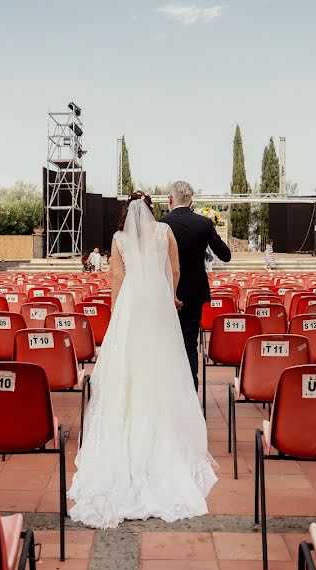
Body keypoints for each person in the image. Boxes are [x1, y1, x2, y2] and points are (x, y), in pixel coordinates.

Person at [68, 191, 217, 528]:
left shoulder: (119, 239)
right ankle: (165, 436)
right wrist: (171, 296)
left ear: (127, 213)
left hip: (133, 304)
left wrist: (118, 309)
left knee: (128, 367)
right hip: (159, 303)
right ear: (152, 211)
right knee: (164, 364)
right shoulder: (164, 233)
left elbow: (117, 279)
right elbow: (175, 269)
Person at [159, 181, 231, 389]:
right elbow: (225, 255)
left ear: (170, 200)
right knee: (190, 343)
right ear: (191, 201)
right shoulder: (205, 224)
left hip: (167, 292)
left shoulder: (161, 224)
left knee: (168, 343)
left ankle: (169, 391)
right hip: (194, 293)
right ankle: (190, 390)